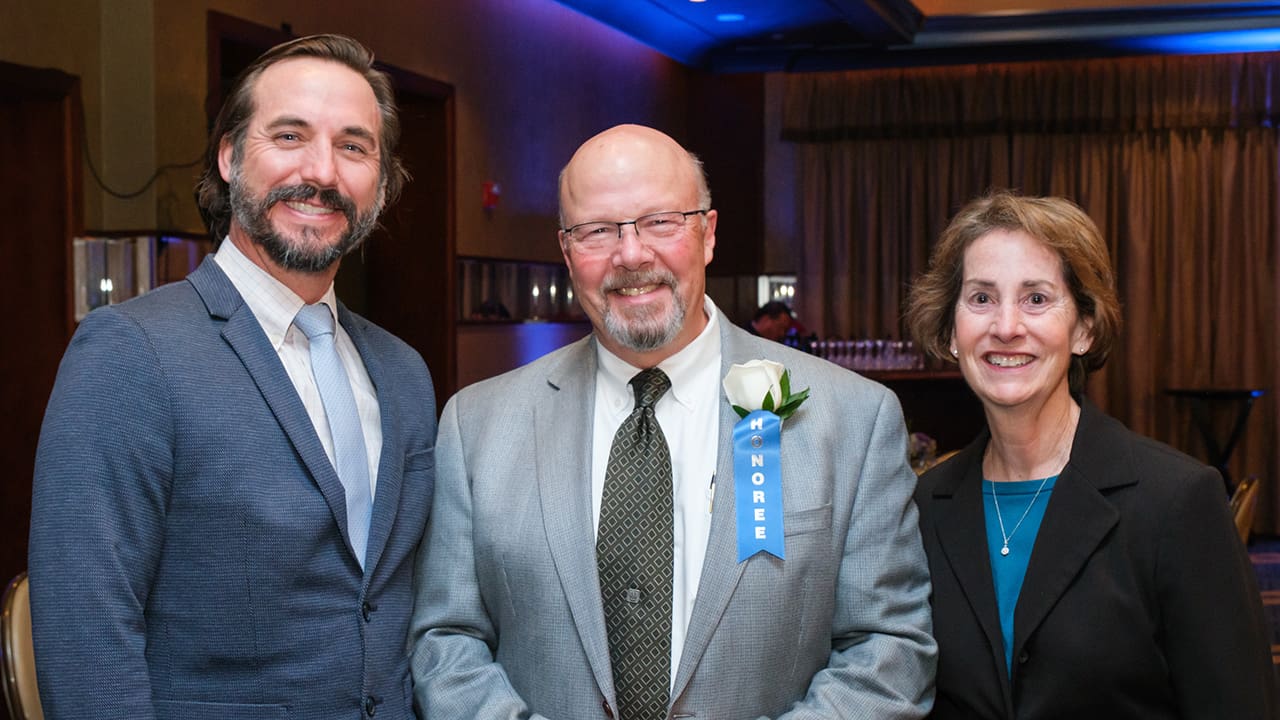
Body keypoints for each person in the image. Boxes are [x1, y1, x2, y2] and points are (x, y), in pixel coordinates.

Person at [410, 123, 935, 719]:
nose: (631, 255)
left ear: (708, 233)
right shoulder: (476, 426)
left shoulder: (851, 419)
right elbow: (445, 641)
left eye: (662, 221)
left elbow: (889, 651)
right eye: (598, 230)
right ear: (566, 252)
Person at [29, 35, 436, 720]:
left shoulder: (403, 373)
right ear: (229, 157)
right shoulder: (130, 353)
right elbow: (87, 643)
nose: (321, 171)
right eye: (289, 135)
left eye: (354, 146)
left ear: (384, 186)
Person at [905, 190, 1275, 719]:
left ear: (1084, 328)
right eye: (982, 298)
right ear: (950, 333)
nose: (1006, 326)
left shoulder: (1175, 501)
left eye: (1036, 298)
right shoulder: (924, 505)